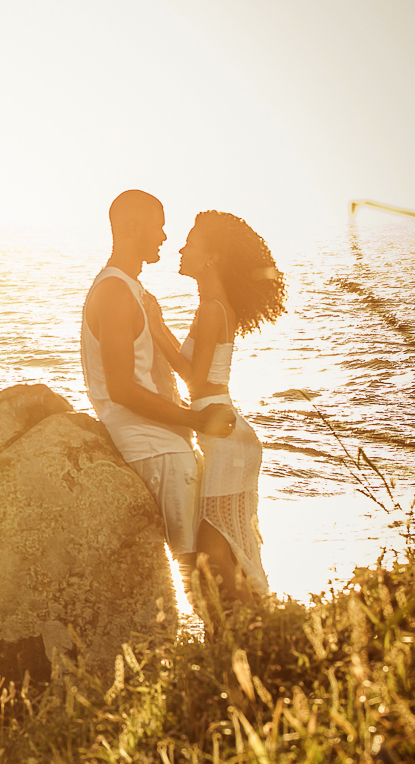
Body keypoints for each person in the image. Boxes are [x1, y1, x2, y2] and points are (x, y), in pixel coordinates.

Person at [81, 190, 236, 605]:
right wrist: (197, 421)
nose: (165, 236)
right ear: (132, 228)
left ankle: (224, 654)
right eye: (158, 226)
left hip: (167, 443)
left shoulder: (131, 290)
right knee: (196, 574)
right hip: (154, 448)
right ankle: (222, 660)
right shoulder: (114, 293)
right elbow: (121, 389)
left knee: (210, 569)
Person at [142, 210, 287, 605]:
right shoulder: (216, 306)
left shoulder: (212, 309)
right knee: (224, 555)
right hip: (226, 434)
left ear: (213, 257)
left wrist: (156, 327)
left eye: (191, 242)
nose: (182, 248)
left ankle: (256, 628)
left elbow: (195, 378)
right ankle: (254, 634)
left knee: (212, 556)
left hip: (223, 438)